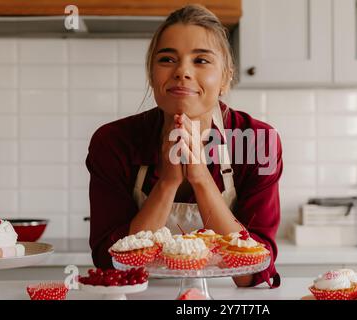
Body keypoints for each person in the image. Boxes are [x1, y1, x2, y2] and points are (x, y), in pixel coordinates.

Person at [86, 4, 282, 288]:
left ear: (226, 77)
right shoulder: (113, 142)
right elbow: (108, 261)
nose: (182, 72)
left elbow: (252, 271)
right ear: (152, 74)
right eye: (167, 59)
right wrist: (167, 182)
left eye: (201, 60)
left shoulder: (258, 141)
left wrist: (200, 178)